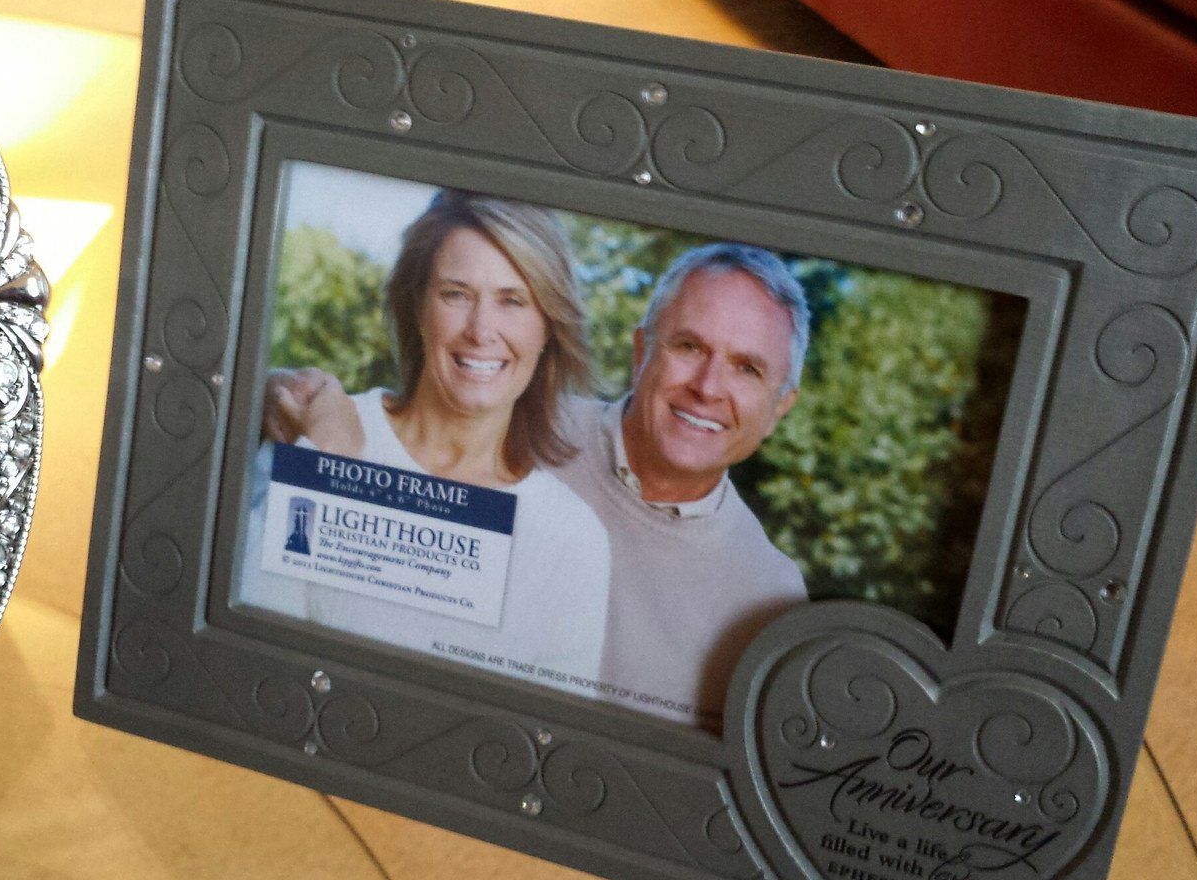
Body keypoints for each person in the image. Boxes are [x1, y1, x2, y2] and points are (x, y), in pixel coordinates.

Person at [268, 241, 811, 731]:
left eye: (747, 369)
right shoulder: (514, 425)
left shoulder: (769, 596)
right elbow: (379, 442)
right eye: (689, 347)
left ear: (780, 407)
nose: (708, 387)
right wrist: (275, 398)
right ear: (641, 351)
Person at [240, 191, 612, 694]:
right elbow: (249, 650)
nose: (481, 330)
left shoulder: (571, 539)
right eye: (456, 294)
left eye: (512, 300)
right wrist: (326, 465)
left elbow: (548, 727)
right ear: (418, 308)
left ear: (548, 327)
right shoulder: (320, 428)